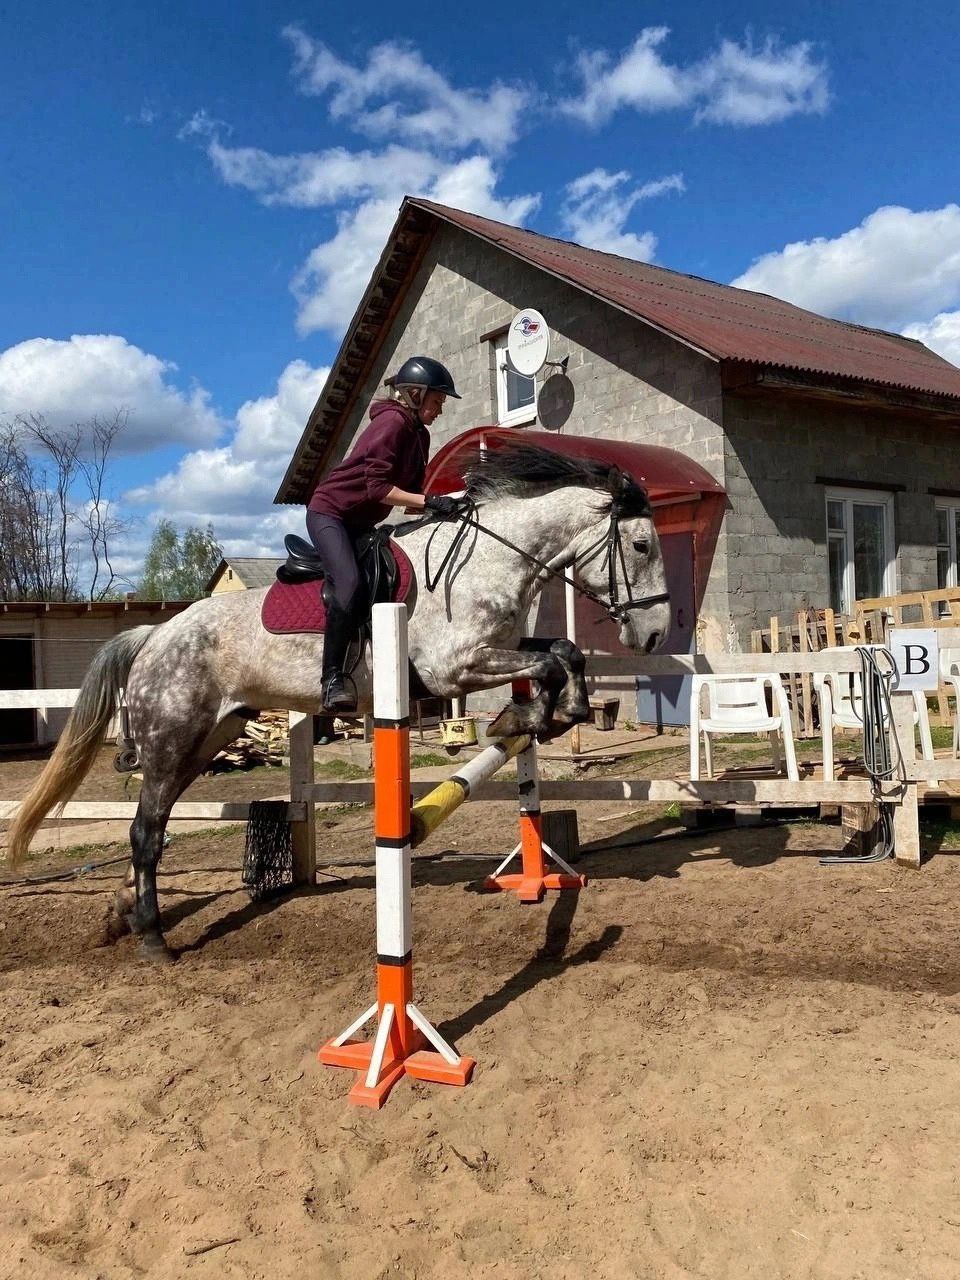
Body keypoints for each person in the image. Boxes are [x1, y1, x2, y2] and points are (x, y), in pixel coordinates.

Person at [306, 354, 464, 713]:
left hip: (361, 523)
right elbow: (378, 488)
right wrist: (430, 501)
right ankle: (331, 679)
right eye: (437, 402)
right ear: (414, 394)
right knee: (349, 583)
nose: (440, 410)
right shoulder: (392, 424)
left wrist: (451, 502)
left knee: (389, 574)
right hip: (330, 514)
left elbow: (412, 498)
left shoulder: (418, 434)